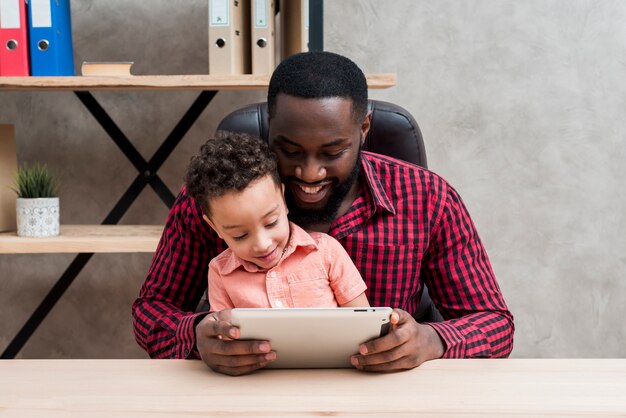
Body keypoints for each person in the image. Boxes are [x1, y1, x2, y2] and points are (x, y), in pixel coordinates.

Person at [132, 51, 514, 376]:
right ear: (269, 130)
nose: (310, 174)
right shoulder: (214, 202)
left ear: (363, 129)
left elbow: (495, 324)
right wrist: (197, 336)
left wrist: (432, 340)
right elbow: (151, 312)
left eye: (332, 152)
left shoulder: (428, 199)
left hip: (379, 397)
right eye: (291, 151)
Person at [183, 132, 370, 311]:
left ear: (283, 199)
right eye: (240, 235)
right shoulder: (220, 273)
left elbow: (364, 323)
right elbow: (222, 339)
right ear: (214, 227)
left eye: (271, 222)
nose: (263, 245)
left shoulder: (327, 252)